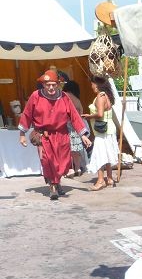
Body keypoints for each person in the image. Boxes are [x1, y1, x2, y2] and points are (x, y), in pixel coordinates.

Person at [18, 69, 90, 200]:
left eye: (53, 84)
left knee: (62, 163)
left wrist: (83, 135)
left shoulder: (64, 97)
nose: (51, 87)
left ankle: (57, 182)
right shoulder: (35, 96)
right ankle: (53, 187)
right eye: (48, 85)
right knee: (48, 161)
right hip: (43, 136)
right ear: (43, 84)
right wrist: (22, 133)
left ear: (58, 84)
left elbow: (74, 116)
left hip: (62, 136)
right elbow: (27, 114)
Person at [83, 76, 120, 191]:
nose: (91, 86)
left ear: (97, 85)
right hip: (110, 128)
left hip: (103, 129)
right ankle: (109, 178)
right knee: (107, 153)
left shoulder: (100, 97)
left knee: (99, 154)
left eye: (92, 84)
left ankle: (100, 180)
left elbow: (100, 114)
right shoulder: (107, 95)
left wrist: (89, 116)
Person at [62, 80, 86, 176]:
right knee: (76, 149)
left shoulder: (65, 96)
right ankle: (77, 168)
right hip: (77, 126)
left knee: (67, 149)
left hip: (66, 126)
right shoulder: (77, 100)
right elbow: (80, 113)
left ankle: (70, 169)